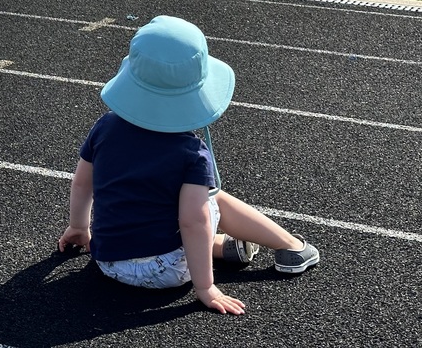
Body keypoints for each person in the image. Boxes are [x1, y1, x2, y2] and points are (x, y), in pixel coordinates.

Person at [58, 15, 320, 314]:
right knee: (210, 199)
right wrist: (205, 287)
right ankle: (291, 248)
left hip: (108, 260)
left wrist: (79, 227)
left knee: (154, 200)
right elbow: (193, 223)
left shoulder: (105, 127)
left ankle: (222, 247)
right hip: (167, 273)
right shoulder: (191, 153)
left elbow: (81, 182)